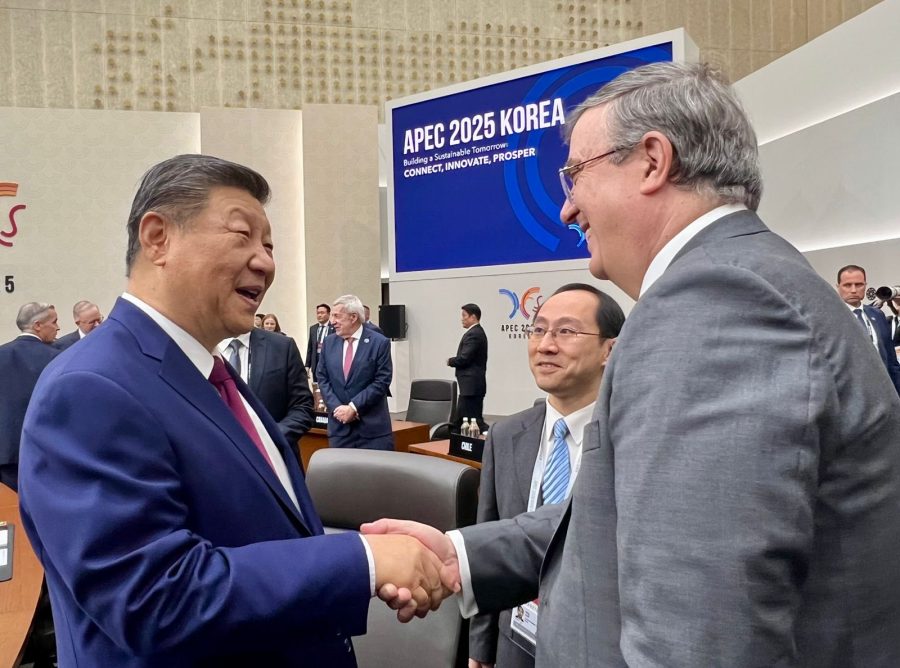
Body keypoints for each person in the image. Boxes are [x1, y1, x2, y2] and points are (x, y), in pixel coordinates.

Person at [365, 62, 900, 667]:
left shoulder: (717, 300)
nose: (567, 210)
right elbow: (640, 515)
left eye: (574, 175)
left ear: (651, 160)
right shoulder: (739, 284)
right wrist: (456, 556)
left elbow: (700, 638)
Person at [17, 154, 446, 667]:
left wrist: (367, 554)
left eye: (269, 245)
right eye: (242, 236)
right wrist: (362, 560)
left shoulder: (210, 375)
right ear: (157, 238)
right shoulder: (90, 388)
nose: (265, 261)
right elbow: (153, 599)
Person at [469, 283, 623, 668]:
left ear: (611, 349)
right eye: (538, 330)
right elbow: (493, 543)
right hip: (515, 642)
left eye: (566, 332)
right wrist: (481, 648)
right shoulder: (505, 436)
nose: (546, 345)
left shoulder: (634, 442)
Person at [316, 294, 394, 450]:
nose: (332, 321)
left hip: (372, 431)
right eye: (332, 316)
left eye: (337, 316)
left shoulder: (379, 342)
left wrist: (353, 407)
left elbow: (382, 380)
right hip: (340, 429)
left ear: (353, 317)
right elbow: (322, 378)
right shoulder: (329, 343)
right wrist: (338, 408)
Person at [220, 325, 315, 449]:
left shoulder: (282, 346)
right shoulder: (197, 348)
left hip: (271, 457)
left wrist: (272, 438)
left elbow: (302, 406)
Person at [0, 303, 59, 490]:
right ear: (38, 325)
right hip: (43, 450)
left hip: (5, 451)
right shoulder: (56, 358)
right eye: (54, 321)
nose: (58, 327)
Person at [836, 264, 900, 395]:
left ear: (865, 285)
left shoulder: (877, 314)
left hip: (885, 389)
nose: (853, 290)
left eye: (859, 284)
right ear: (838, 287)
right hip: (851, 394)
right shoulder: (830, 316)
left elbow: (891, 360)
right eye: (847, 285)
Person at [447, 303, 488, 432]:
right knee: (470, 418)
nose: (462, 319)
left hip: (471, 385)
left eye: (464, 315)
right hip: (470, 385)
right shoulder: (476, 332)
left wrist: (451, 361)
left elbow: (465, 358)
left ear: (473, 317)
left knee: (470, 420)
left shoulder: (474, 334)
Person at [305, 303, 334, 383]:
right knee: (317, 385)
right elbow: (310, 348)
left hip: (329, 362)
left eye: (322, 313)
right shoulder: (313, 328)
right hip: (316, 360)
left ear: (328, 314)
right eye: (318, 313)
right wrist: (307, 365)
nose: (319, 315)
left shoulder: (334, 328)